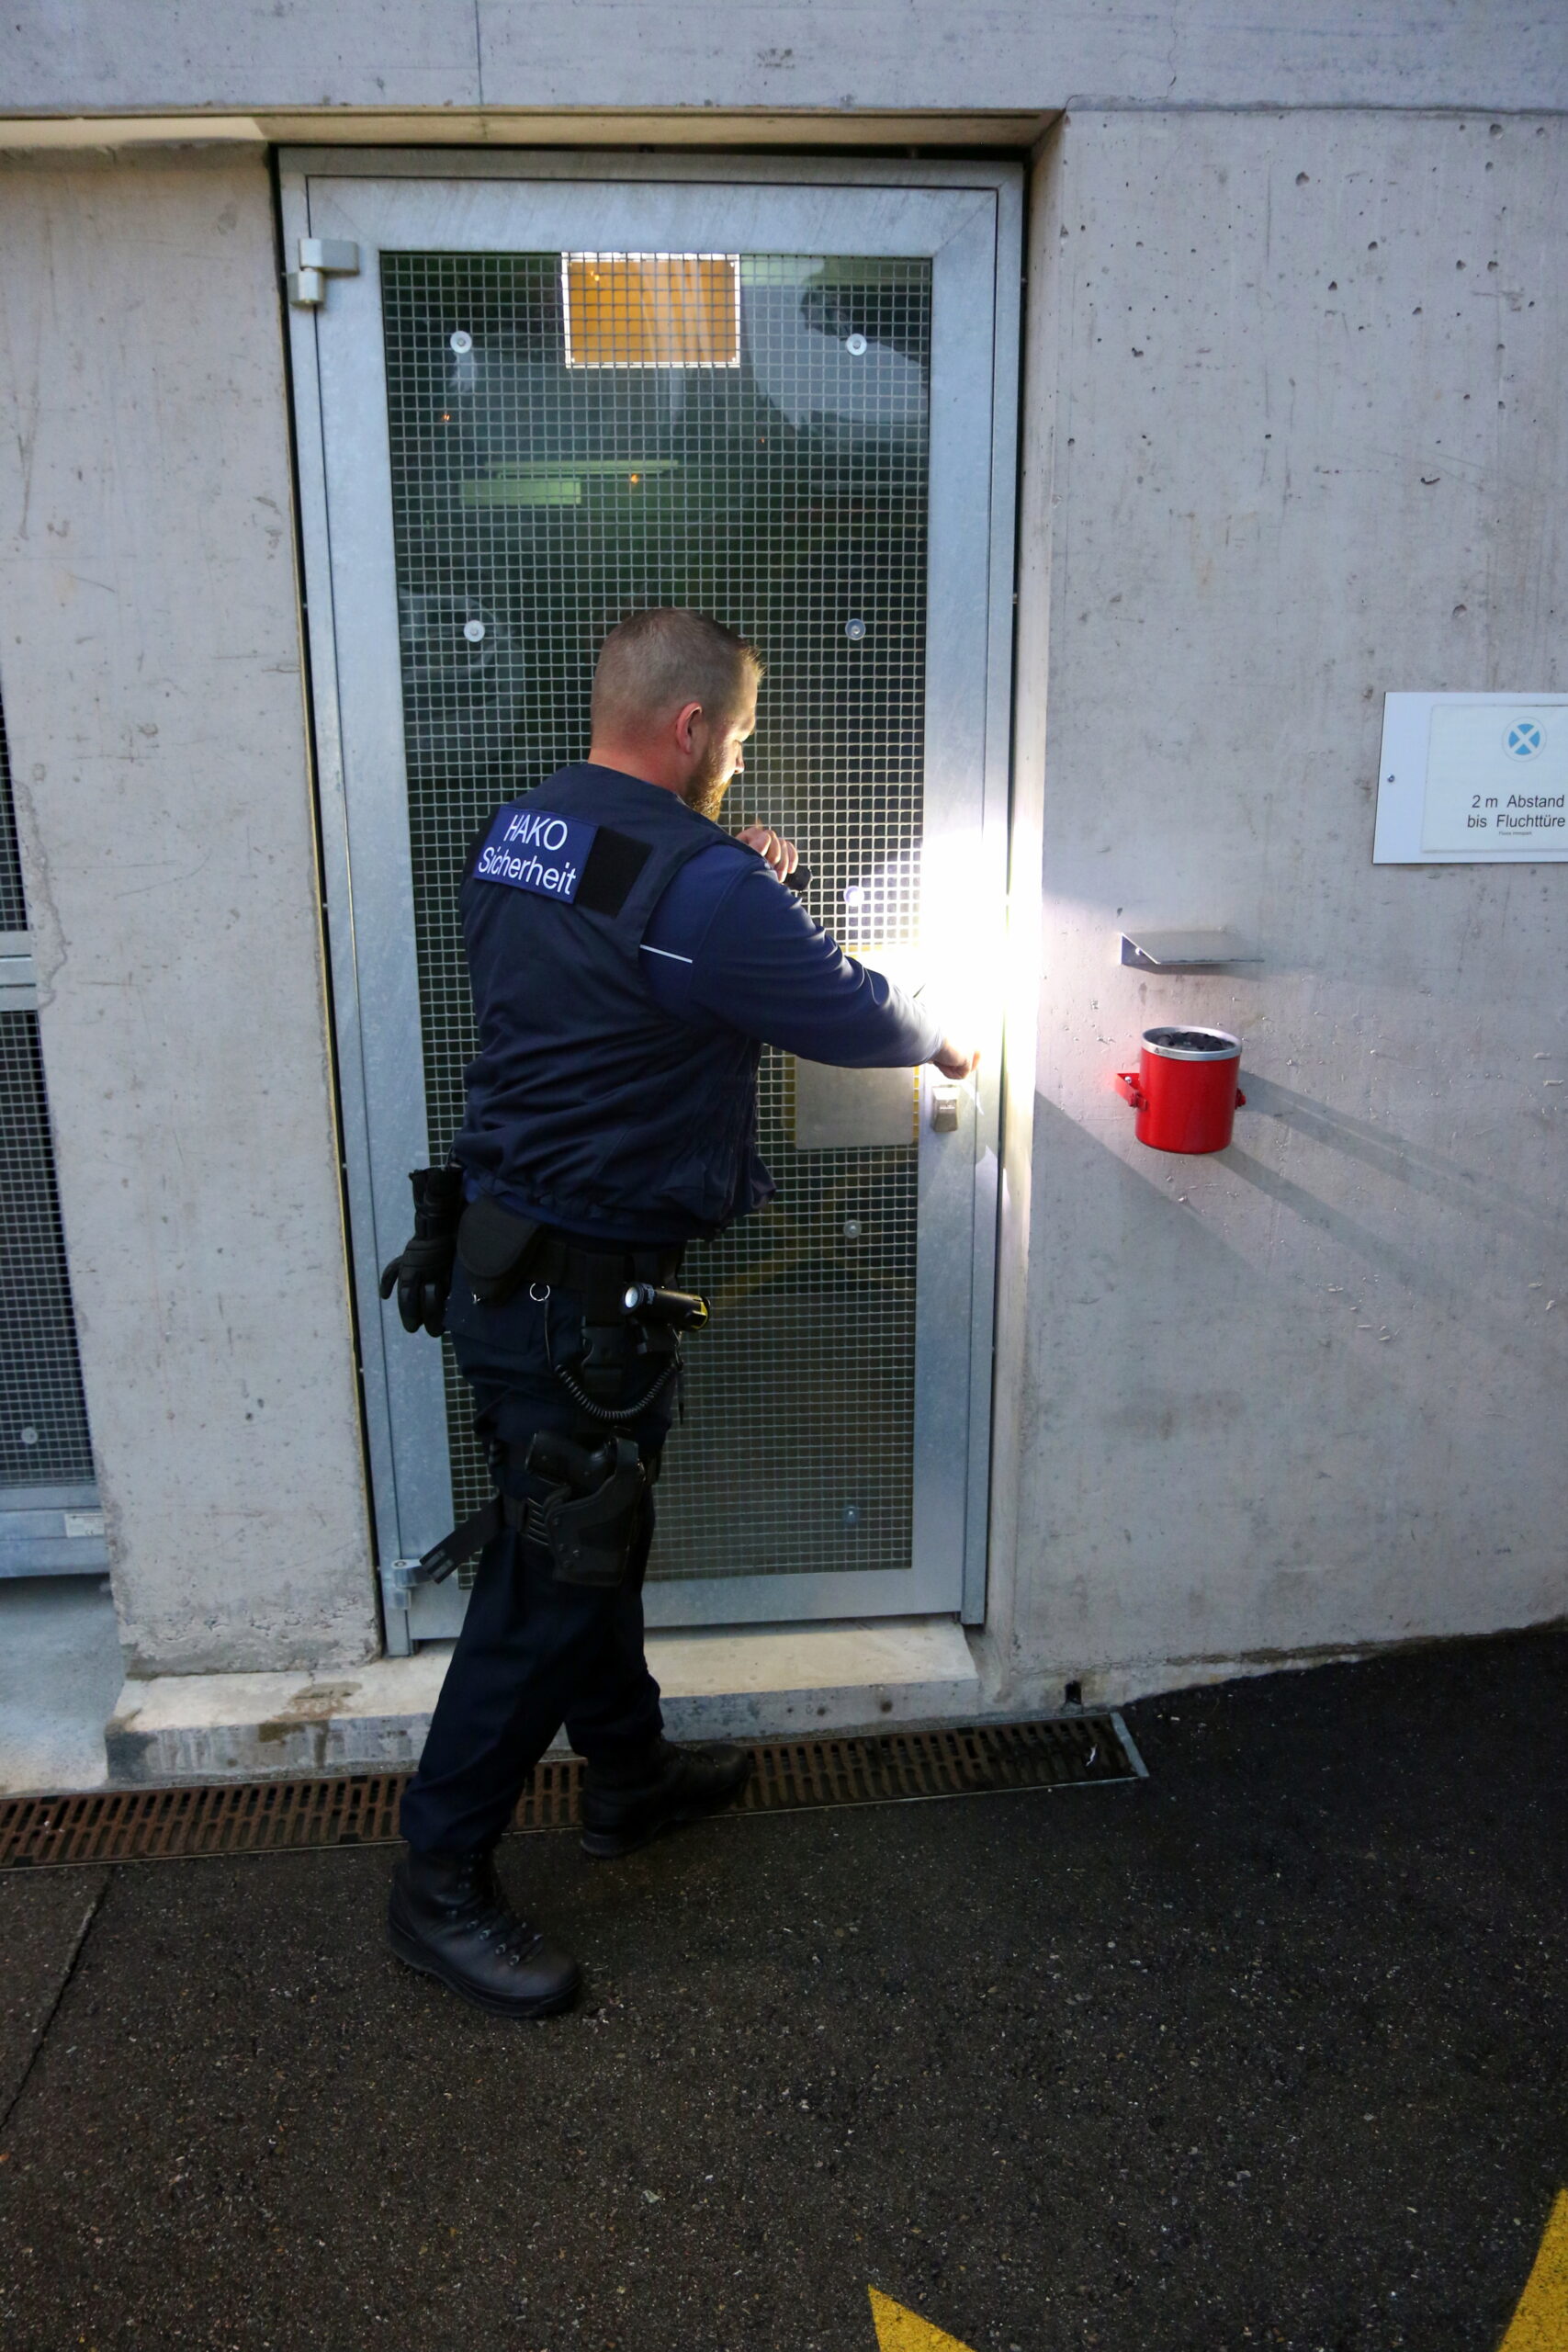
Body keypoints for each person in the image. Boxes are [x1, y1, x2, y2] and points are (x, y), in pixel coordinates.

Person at [378, 608, 978, 2019]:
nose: (743, 760)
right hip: (574, 1295)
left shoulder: (522, 830)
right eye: (743, 737)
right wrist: (945, 1031)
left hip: (511, 1265)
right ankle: (436, 1882)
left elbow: (644, 942)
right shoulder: (701, 889)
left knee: (595, 1541)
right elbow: (838, 1009)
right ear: (695, 730)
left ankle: (630, 1780)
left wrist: (740, 867)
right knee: (546, 1587)